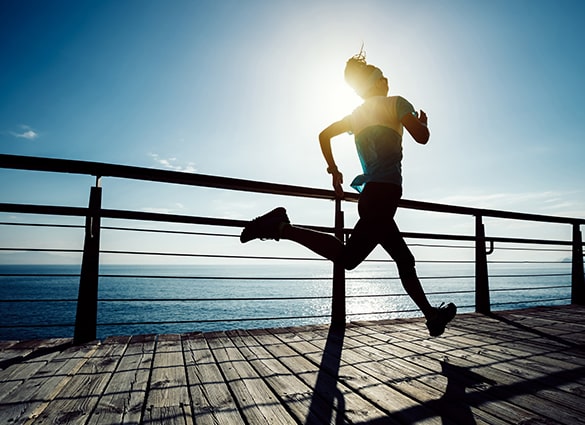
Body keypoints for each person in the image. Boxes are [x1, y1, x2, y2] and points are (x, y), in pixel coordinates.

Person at [240, 50, 456, 337]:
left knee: (404, 259)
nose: (388, 79)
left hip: (373, 196)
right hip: (382, 196)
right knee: (349, 258)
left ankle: (432, 316)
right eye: (383, 76)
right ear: (377, 83)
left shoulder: (357, 115)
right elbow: (422, 137)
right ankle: (280, 227)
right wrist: (424, 122)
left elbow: (323, 135)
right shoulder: (397, 103)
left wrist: (334, 171)